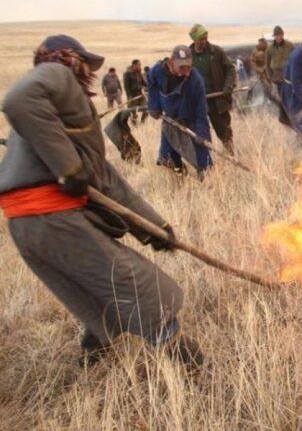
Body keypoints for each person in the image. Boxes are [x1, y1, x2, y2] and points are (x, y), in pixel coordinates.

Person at [0, 34, 202, 370]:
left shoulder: (57, 113)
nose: (86, 72)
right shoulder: (57, 74)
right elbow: (17, 99)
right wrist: (68, 168)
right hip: (52, 218)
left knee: (95, 291)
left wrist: (155, 228)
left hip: (30, 226)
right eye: (83, 64)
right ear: (69, 59)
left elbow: (105, 179)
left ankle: (91, 360)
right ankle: (193, 367)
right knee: (139, 286)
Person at [147, 45, 213, 180]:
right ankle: (181, 176)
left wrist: (201, 132)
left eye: (189, 67)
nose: (187, 72)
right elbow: (151, 84)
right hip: (170, 120)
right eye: (182, 67)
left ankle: (207, 181)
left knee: (203, 160)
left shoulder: (196, 80)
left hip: (191, 120)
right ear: (171, 62)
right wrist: (154, 106)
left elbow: (201, 109)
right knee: (168, 158)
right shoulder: (157, 71)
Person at [188, 24, 236, 155]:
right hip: (198, 102)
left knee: (224, 131)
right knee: (200, 133)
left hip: (217, 100)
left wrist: (228, 86)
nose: (204, 41)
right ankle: (205, 160)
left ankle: (231, 154)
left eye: (205, 38)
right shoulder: (188, 55)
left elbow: (230, 69)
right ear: (194, 40)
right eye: (201, 39)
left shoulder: (216, 51)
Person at [123, 59, 148, 124]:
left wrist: (151, 86)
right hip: (132, 96)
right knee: (133, 112)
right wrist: (129, 97)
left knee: (146, 109)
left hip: (140, 94)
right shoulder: (127, 73)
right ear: (134, 65)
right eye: (138, 65)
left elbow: (144, 83)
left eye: (140, 65)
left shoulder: (139, 73)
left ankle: (142, 123)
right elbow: (126, 86)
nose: (140, 66)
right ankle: (135, 126)